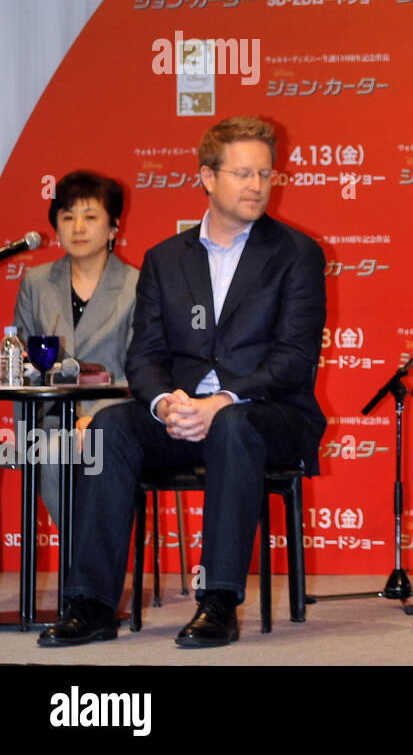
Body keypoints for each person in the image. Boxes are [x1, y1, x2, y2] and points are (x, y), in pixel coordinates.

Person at [39, 116, 326, 648]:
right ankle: (93, 603)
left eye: (265, 174)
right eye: (243, 174)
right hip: (184, 409)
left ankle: (218, 600)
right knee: (109, 428)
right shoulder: (165, 260)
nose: (257, 186)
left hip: (270, 412)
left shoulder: (296, 255)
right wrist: (167, 402)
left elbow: (292, 360)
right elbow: (143, 356)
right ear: (207, 177)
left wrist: (220, 399)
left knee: (234, 426)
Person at [10, 171, 138, 523]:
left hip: (113, 421)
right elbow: (20, 363)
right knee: (49, 451)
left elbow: (139, 370)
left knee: (83, 451)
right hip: (50, 419)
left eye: (90, 216)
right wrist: (25, 436)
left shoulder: (135, 287)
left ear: (113, 227)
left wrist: (96, 417)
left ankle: (82, 567)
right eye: (67, 217)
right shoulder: (36, 283)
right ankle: (84, 563)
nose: (78, 227)